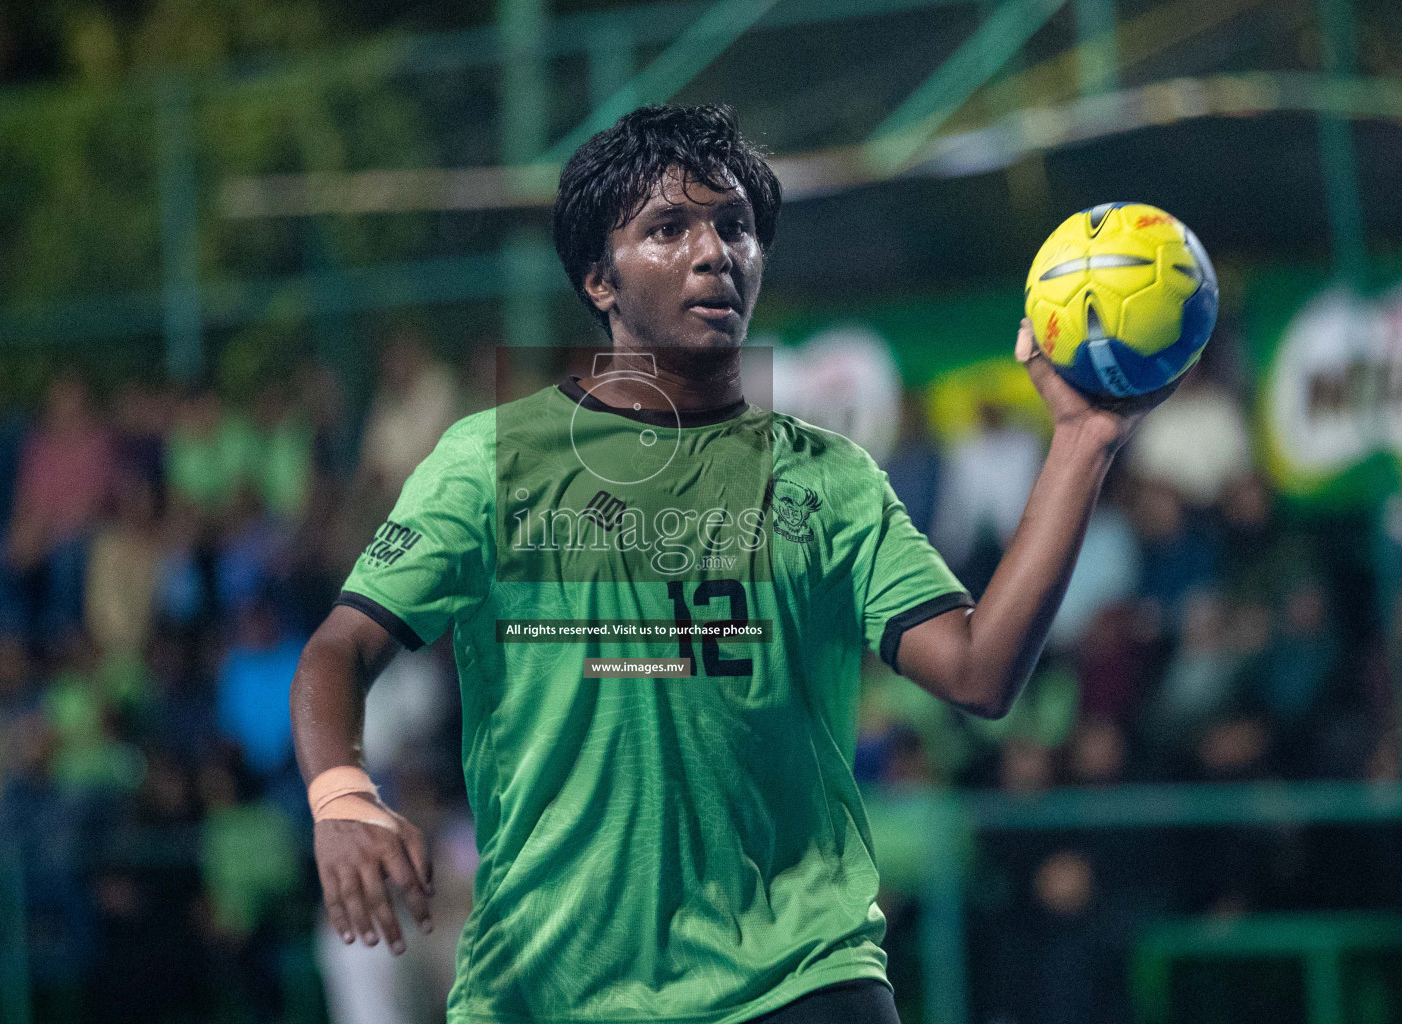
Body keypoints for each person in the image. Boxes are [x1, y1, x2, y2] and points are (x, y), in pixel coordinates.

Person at [289, 104, 1177, 1024]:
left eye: (736, 227)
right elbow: (338, 650)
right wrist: (342, 796)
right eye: (668, 228)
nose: (715, 251)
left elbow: (982, 672)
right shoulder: (492, 460)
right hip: (552, 991)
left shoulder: (828, 480)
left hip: (800, 976)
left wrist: (1081, 442)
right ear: (599, 278)